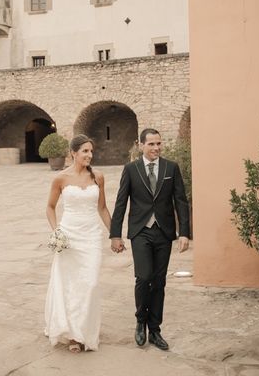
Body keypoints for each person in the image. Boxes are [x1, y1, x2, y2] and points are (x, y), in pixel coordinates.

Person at [110, 128, 190, 351]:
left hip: (164, 232)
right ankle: (140, 321)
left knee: (160, 281)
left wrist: (184, 232)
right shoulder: (131, 169)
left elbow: (181, 201)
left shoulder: (170, 168)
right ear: (141, 145)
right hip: (140, 231)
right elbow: (120, 203)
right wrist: (115, 234)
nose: (156, 148)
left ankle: (155, 330)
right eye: (151, 144)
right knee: (144, 277)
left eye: (159, 144)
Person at [44, 134, 112, 353]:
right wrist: (57, 232)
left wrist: (115, 234)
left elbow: (102, 208)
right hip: (69, 236)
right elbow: (50, 207)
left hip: (91, 236)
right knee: (70, 285)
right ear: (73, 153)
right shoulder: (61, 178)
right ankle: (74, 335)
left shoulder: (98, 176)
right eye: (85, 151)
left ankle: (85, 330)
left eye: (91, 151)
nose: (89, 155)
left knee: (90, 283)